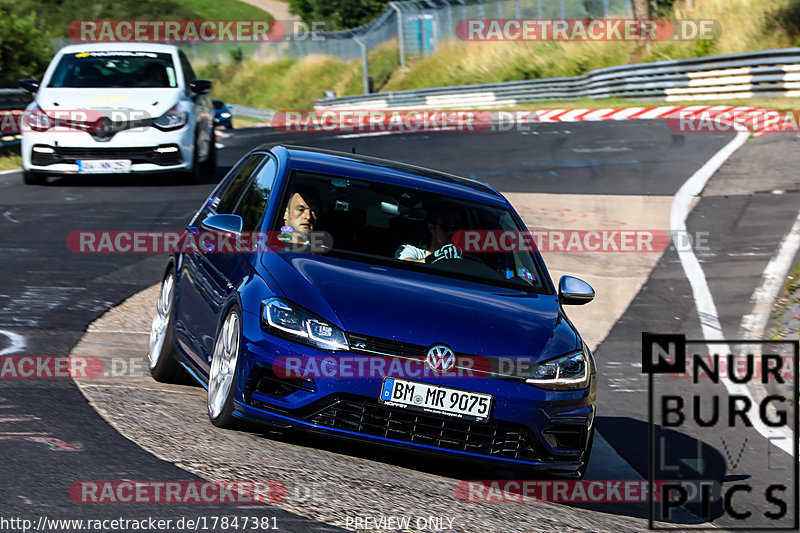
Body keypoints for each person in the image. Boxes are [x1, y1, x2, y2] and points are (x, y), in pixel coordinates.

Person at [395, 205, 463, 263]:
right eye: (446, 226)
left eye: (457, 227)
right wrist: (435, 258)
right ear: (431, 228)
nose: (452, 232)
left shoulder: (464, 256)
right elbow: (404, 265)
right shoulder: (411, 250)